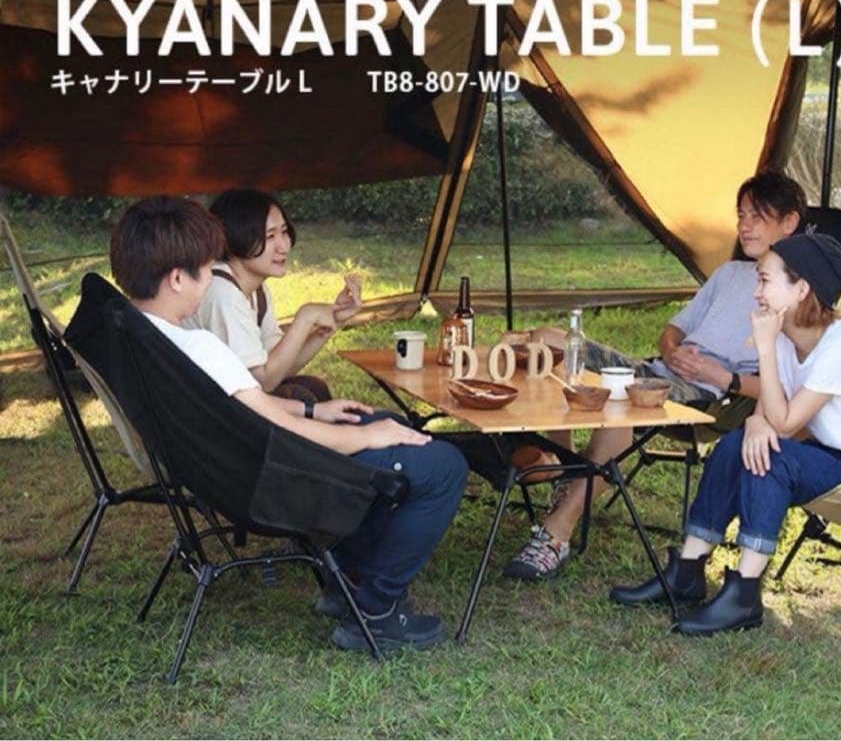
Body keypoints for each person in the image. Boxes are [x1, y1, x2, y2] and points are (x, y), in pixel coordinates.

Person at [110, 195, 468, 653]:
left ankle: (347, 584)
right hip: (264, 479)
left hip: (229, 468)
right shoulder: (199, 347)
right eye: (205, 267)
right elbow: (273, 427)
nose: (212, 275)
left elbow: (251, 408)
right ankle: (376, 612)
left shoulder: (143, 336)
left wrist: (317, 411)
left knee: (385, 423)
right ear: (178, 278)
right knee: (443, 467)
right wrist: (363, 437)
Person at [609, 232, 841, 635]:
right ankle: (687, 570)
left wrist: (765, 352)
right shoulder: (789, 338)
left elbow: (786, 422)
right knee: (735, 444)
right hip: (830, 450)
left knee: (769, 457)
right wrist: (755, 421)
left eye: (765, 280)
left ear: (801, 289)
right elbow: (771, 410)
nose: (756, 292)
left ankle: (744, 594)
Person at [503, 172, 806, 581]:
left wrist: (722, 377)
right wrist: (672, 350)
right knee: (547, 341)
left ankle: (556, 533)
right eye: (741, 215)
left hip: (712, 396)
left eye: (757, 215)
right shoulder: (729, 273)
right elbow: (673, 328)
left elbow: (786, 387)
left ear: (790, 221)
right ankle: (566, 468)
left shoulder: (797, 293)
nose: (744, 226)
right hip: (662, 372)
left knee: (620, 400)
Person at [185, 188, 362, 402]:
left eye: (284, 232)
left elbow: (280, 368)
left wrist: (331, 321)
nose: (284, 246)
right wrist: (305, 318)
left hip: (235, 399)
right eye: (270, 236)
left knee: (314, 386)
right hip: (207, 407)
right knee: (302, 397)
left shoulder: (255, 288)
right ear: (237, 238)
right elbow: (264, 381)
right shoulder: (223, 293)